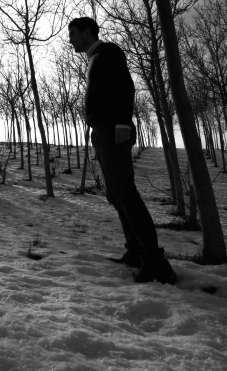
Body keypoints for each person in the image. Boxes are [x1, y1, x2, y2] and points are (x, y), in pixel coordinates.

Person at [68, 17, 176, 285]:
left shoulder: (109, 52)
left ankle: (156, 262)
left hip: (113, 130)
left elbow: (125, 87)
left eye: (73, 33)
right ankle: (135, 253)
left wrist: (121, 122)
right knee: (115, 195)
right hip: (102, 131)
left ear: (87, 31)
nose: (70, 39)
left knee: (126, 194)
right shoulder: (95, 58)